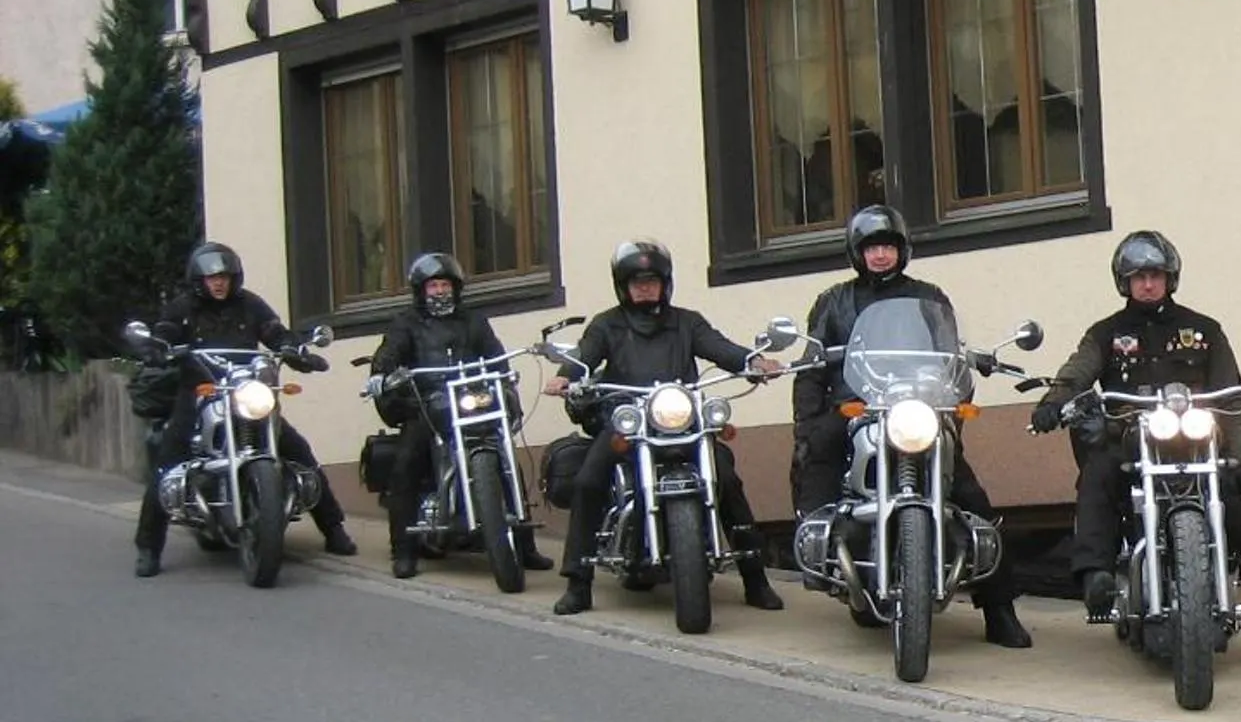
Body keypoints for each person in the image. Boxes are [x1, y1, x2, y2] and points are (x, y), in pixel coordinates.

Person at [1029, 230, 1241, 680]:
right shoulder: (1106, 334)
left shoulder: (1204, 331)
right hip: (1132, 442)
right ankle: (1095, 576)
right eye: (1138, 276)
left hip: (1198, 445)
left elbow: (1234, 404)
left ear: (1170, 278)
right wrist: (1054, 401)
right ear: (1124, 282)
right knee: (1097, 476)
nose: (1147, 284)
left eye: (1155, 275)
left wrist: (1240, 462)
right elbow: (1077, 373)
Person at [792, 205, 1030, 648]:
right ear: (856, 253)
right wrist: (806, 421)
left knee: (970, 494)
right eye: (872, 248)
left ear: (902, 251)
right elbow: (812, 367)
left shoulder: (930, 297)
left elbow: (948, 353)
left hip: (918, 407)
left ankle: (1000, 609)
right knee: (816, 453)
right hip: (858, 406)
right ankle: (818, 547)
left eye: (888, 247)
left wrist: (957, 391)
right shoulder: (834, 301)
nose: (881, 255)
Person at [543, 239, 784, 617]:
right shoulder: (607, 324)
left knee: (726, 477)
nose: (644, 288)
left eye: (651, 281)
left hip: (683, 422)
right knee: (589, 479)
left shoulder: (687, 322)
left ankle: (755, 579)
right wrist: (565, 377)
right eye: (636, 282)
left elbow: (719, 347)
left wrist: (753, 361)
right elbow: (585, 357)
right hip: (631, 422)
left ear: (665, 283)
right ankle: (578, 582)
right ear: (623, 286)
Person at [132, 241, 356, 576]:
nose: (218, 283)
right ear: (199, 281)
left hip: (246, 392)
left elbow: (274, 331)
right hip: (200, 394)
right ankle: (149, 548)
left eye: (223, 276)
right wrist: (156, 346)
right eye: (211, 278)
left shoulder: (249, 304)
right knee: (169, 460)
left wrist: (295, 349)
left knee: (297, 448)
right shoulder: (183, 308)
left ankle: (334, 528)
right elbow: (165, 332)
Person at [365, 250, 553, 580]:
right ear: (421, 291)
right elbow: (389, 353)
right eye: (433, 286)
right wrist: (384, 373)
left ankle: (525, 546)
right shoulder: (406, 322)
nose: (440, 291)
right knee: (407, 462)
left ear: (456, 288)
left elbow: (495, 355)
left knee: (507, 457)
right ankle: (403, 551)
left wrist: (504, 376)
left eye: (445, 285)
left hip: (472, 399)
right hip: (427, 403)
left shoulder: (473, 320)